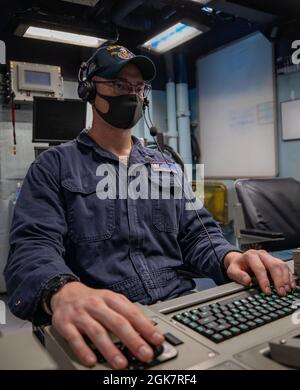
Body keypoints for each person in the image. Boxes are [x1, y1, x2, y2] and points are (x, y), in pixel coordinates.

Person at [4, 45, 296, 370]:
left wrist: (230, 256)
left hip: (183, 310)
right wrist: (62, 291)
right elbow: (32, 248)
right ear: (89, 89)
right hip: (109, 321)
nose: (131, 94)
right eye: (118, 85)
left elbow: (198, 234)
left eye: (137, 87)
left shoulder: (165, 164)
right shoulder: (54, 166)